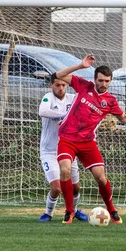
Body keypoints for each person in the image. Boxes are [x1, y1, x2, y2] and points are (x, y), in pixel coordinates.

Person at [54, 54, 126, 224]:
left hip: (88, 143)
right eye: (101, 80)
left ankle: (112, 210)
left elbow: (124, 118)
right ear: (95, 80)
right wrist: (80, 66)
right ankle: (69, 211)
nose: (103, 84)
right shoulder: (84, 86)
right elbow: (58, 75)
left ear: (110, 81)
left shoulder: (110, 101)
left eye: (107, 81)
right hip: (67, 139)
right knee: (65, 169)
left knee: (101, 177)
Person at [37, 75, 87, 222]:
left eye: (63, 85)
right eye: (57, 85)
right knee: (57, 188)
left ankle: (74, 210)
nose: (61, 88)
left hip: (68, 149)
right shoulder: (48, 98)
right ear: (51, 86)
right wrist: (65, 116)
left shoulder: (72, 99)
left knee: (75, 187)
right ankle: (48, 213)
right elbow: (43, 111)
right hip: (49, 151)